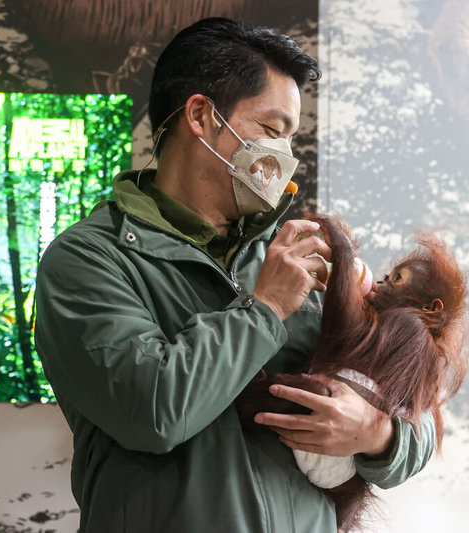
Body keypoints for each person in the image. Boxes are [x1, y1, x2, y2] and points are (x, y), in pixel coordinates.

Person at [34, 17, 436, 533]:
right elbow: (153, 411)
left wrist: (376, 434)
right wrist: (265, 308)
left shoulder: (298, 256)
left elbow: (414, 416)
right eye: (272, 131)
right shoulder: (90, 259)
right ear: (200, 116)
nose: (284, 157)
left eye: (291, 139)